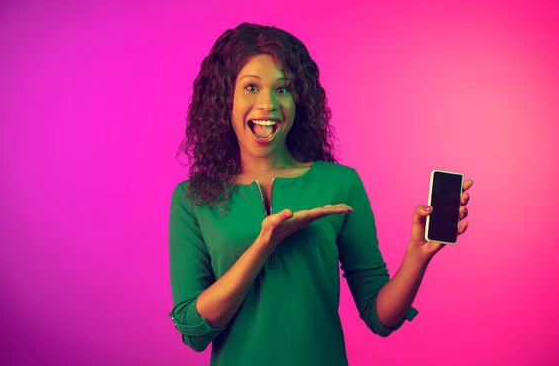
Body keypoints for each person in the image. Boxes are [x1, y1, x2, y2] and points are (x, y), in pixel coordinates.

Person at [168, 22, 473, 366]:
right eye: (251, 87)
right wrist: (262, 246)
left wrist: (417, 255)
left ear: (299, 99)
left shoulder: (340, 184)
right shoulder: (192, 199)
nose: (267, 103)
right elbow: (193, 331)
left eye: (282, 89)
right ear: (225, 98)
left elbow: (380, 317)